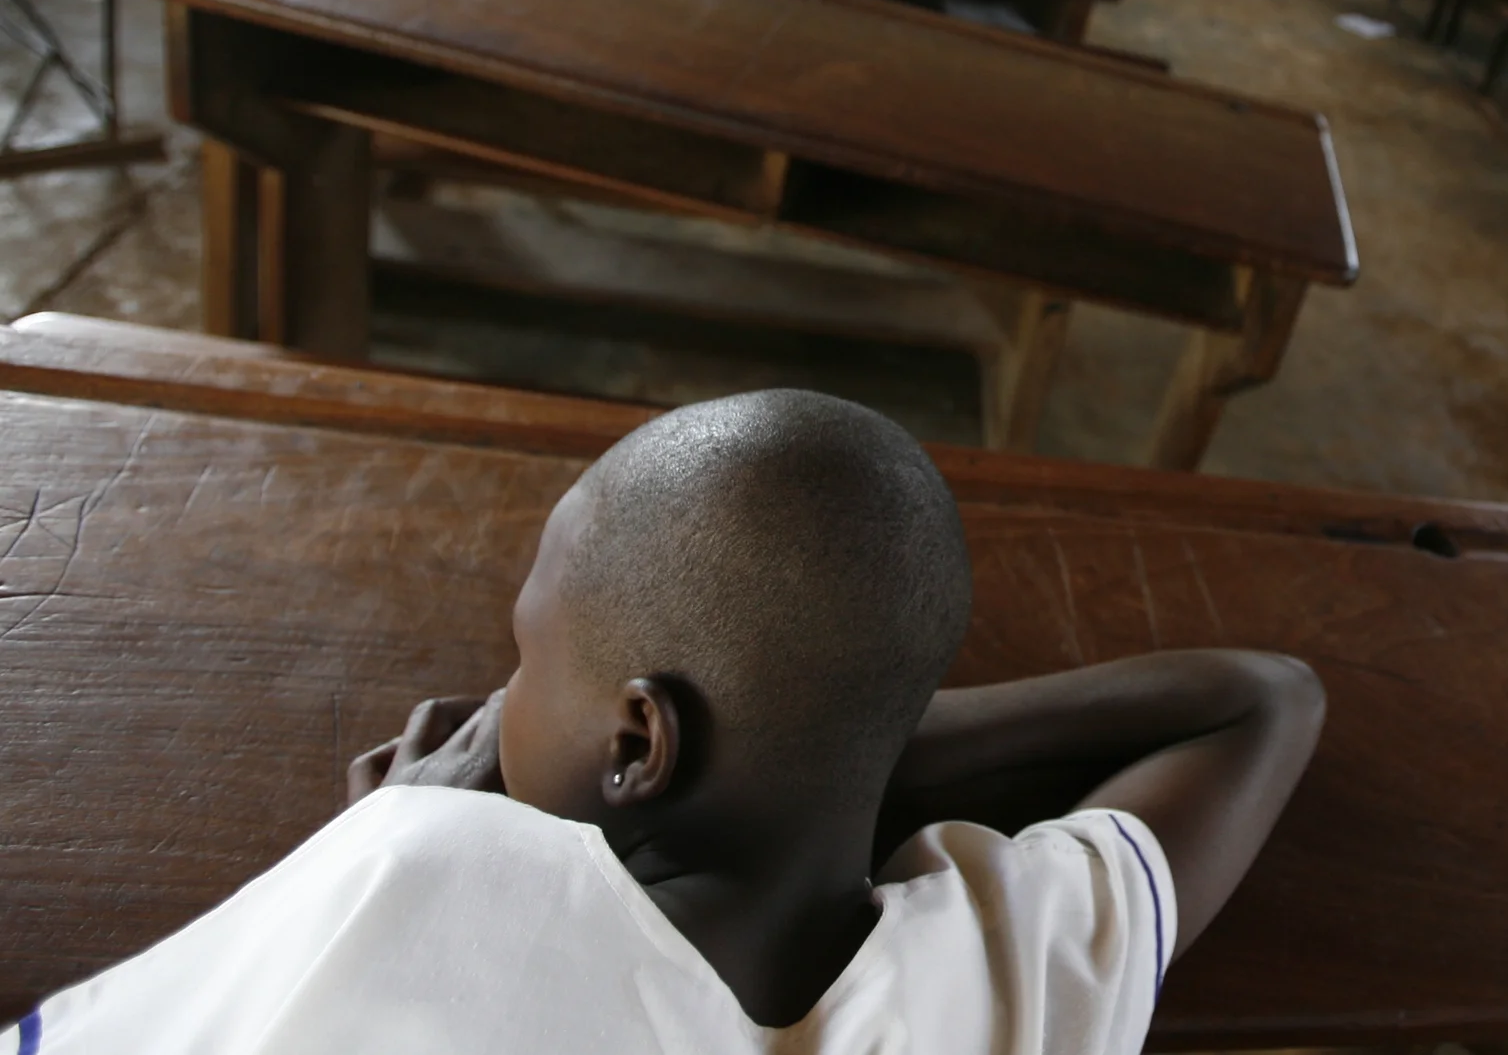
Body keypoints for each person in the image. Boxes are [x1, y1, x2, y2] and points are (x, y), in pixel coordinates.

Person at [14, 391, 1325, 1054]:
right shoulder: (1012, 971)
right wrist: (842, 744)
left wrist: (378, 840)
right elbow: (1266, 696)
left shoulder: (415, 874)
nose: (503, 693)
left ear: (639, 742)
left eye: (528, 658)